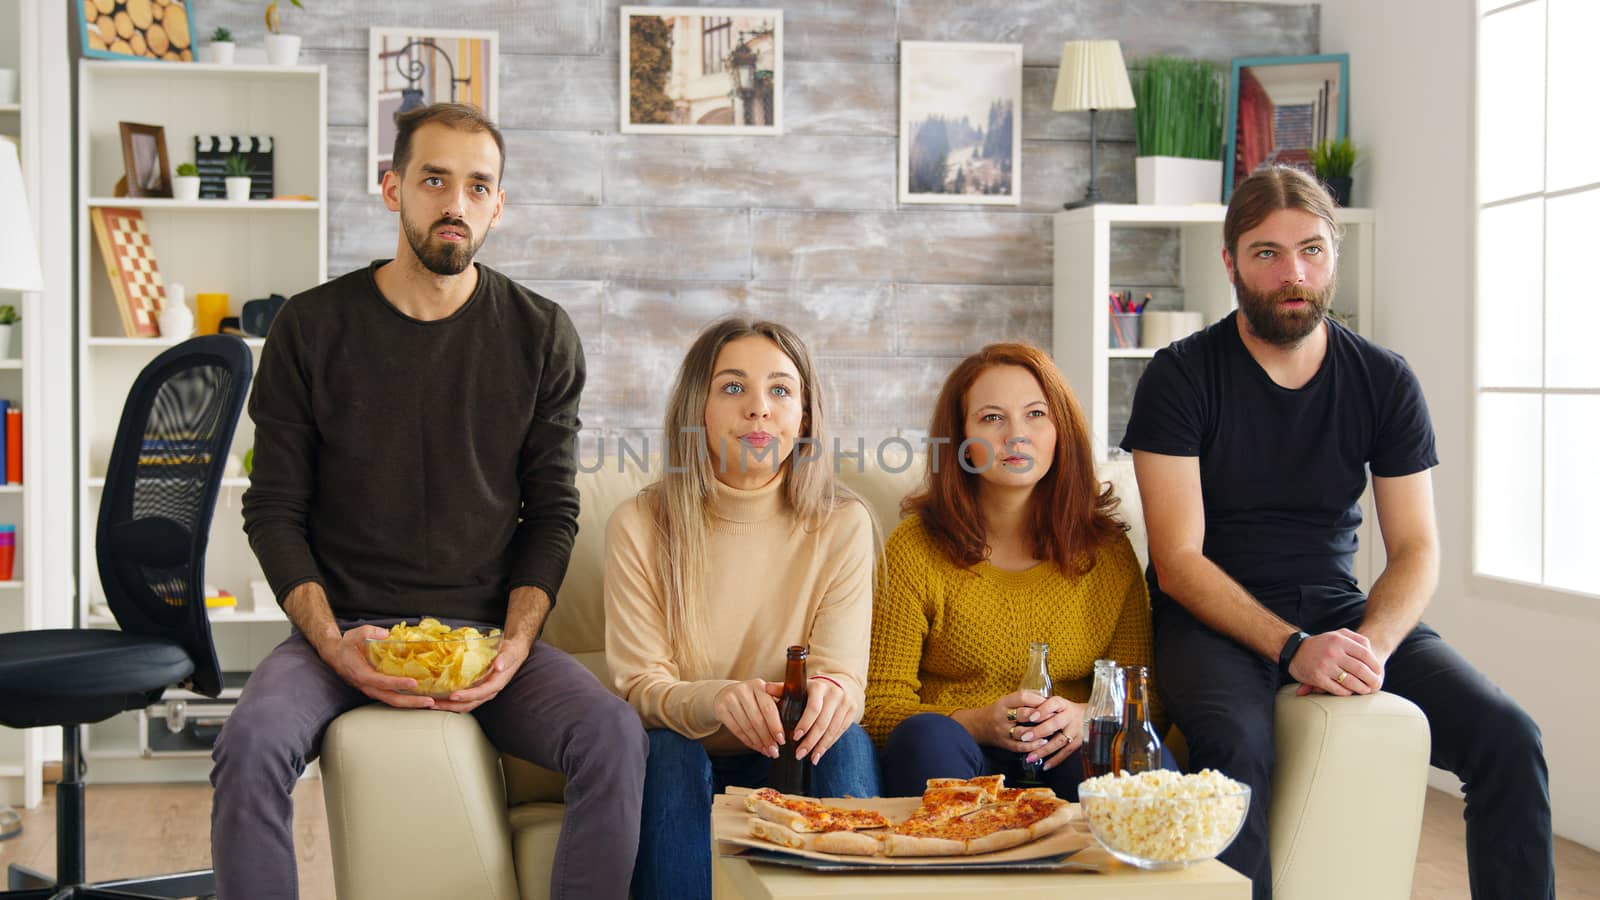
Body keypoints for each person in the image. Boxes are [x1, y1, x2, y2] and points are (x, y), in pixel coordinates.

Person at [215, 103, 647, 900]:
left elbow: (552, 512)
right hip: (341, 633)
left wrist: (516, 645)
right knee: (249, 743)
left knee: (615, 734)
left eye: (478, 186)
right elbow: (273, 509)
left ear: (497, 205)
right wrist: (332, 641)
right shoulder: (311, 328)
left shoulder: (542, 335)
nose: (456, 203)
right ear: (392, 189)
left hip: (485, 638)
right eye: (434, 180)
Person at [1121, 165, 1552, 900]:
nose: (1293, 272)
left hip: (1340, 608)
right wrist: (1293, 649)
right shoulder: (1180, 376)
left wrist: (1370, 650)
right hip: (1211, 620)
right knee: (1237, 752)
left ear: (1334, 256)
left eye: (1311, 250)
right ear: (1230, 262)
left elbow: (1416, 547)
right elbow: (1178, 561)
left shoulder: (1384, 379)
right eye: (1267, 253)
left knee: (1509, 737)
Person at [605, 318, 881, 900]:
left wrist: (834, 694)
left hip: (789, 751)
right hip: (683, 754)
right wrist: (720, 698)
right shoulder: (639, 524)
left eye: (780, 390)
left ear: (804, 417)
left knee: (846, 738)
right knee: (664, 747)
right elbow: (640, 685)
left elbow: (845, 674)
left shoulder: (843, 523)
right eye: (733, 388)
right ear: (697, 409)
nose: (759, 409)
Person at [865, 342, 1170, 799]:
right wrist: (978, 721)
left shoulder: (1105, 550)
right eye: (991, 418)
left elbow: (1146, 700)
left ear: (1061, 428)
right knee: (926, 737)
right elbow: (878, 707)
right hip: (958, 751)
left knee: (1130, 751)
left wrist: (1086, 715)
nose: (1016, 435)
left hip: (1068, 755)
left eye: (1035, 414)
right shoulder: (916, 548)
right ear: (961, 439)